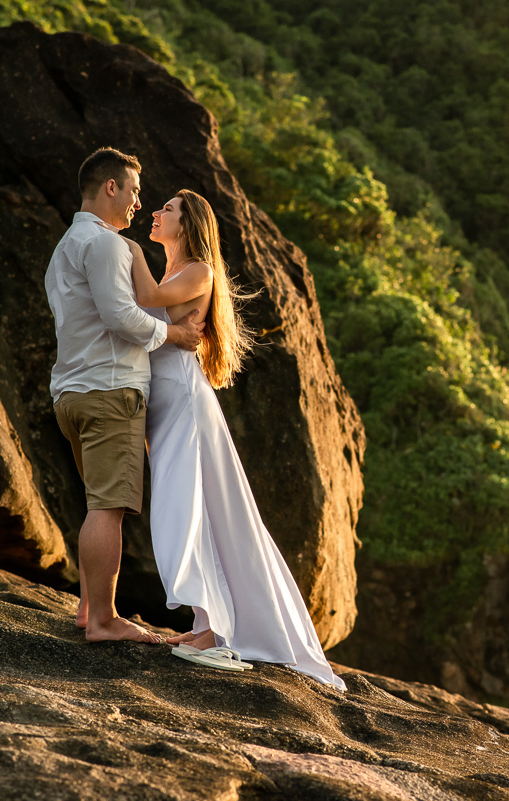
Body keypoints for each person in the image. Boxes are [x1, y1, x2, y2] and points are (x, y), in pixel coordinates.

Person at [127, 188, 346, 689]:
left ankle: (212, 628)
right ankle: (207, 623)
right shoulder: (174, 271)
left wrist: (129, 250)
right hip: (167, 406)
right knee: (192, 509)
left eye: (167, 210)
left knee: (189, 508)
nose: (157, 214)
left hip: (184, 401)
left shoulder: (198, 270)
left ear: (188, 225)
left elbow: (147, 302)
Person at [46, 148, 204, 644]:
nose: (140, 201)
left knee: (97, 500)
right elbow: (123, 318)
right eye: (134, 190)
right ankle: (103, 620)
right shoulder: (108, 245)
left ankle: (88, 608)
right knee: (108, 506)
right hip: (109, 390)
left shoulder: (66, 246)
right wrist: (176, 337)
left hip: (70, 392)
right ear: (110, 187)